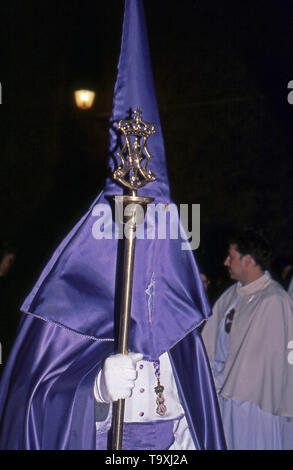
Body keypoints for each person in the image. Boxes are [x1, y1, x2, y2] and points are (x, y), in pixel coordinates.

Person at [0, 0, 226, 450]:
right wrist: (95, 391)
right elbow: (26, 401)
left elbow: (192, 414)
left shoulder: (175, 313)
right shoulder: (65, 306)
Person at [201, 229, 293, 449]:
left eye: (231, 257)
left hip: (256, 402)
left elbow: (265, 362)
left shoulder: (273, 300)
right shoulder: (231, 294)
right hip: (224, 394)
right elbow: (211, 342)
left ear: (249, 260)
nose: (225, 262)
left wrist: (225, 378)